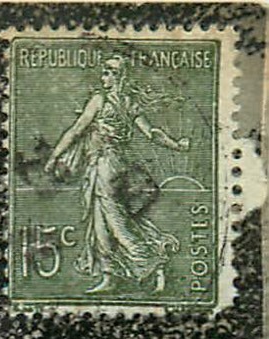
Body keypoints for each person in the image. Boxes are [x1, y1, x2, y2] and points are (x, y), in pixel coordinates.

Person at [45, 54, 190, 295]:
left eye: (109, 71)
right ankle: (110, 276)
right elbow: (151, 133)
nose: (105, 76)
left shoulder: (100, 100)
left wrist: (53, 157)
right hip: (120, 165)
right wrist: (177, 145)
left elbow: (76, 130)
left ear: (119, 76)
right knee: (102, 222)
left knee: (116, 222)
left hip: (105, 166)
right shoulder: (130, 103)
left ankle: (153, 264)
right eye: (104, 71)